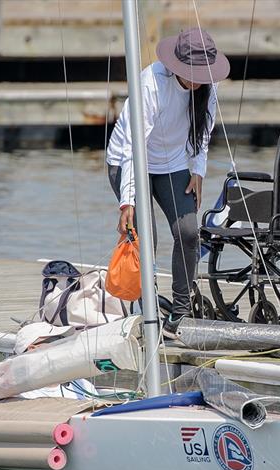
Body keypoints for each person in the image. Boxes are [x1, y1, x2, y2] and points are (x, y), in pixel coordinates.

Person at [106, 28, 230, 338]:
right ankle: (147, 311)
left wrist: (198, 171)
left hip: (173, 162)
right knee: (146, 237)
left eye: (203, 74)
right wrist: (128, 201)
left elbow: (203, 132)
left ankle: (179, 313)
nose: (197, 80)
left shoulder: (207, 86)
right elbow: (134, 148)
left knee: (188, 233)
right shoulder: (151, 83)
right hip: (128, 159)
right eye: (192, 73)